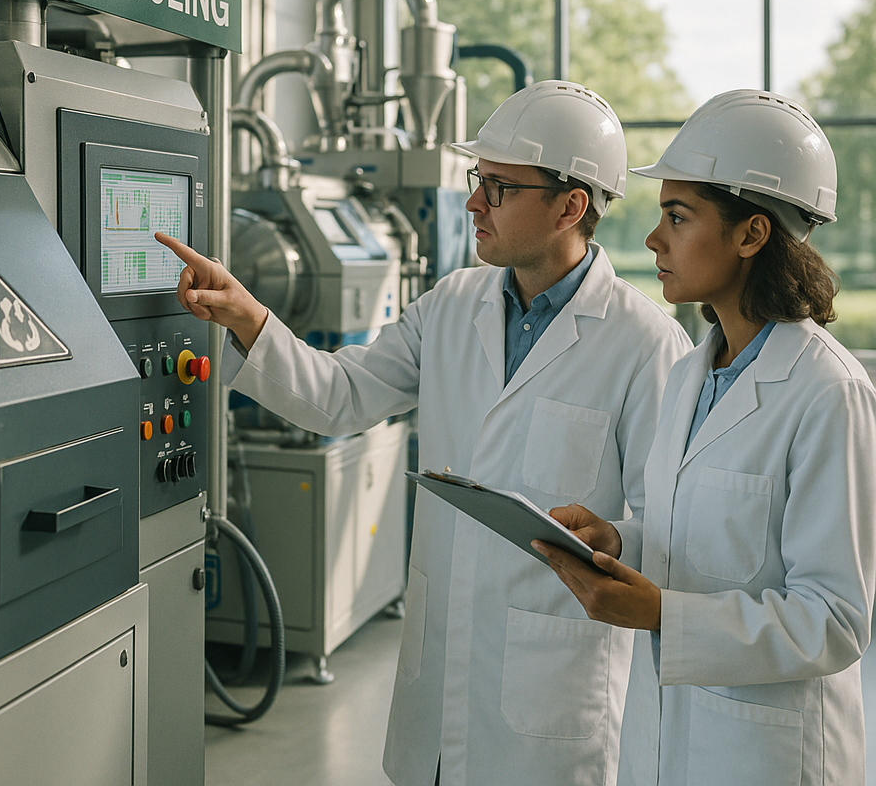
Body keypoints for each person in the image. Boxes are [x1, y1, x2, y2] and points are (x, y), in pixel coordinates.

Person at [157, 80, 691, 786]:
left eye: (499, 188)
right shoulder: (451, 306)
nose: (474, 203)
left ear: (570, 207)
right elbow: (340, 396)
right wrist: (247, 316)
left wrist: (616, 537)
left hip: (553, 699)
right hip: (439, 683)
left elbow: (670, 527)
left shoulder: (645, 344)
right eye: (479, 180)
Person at [534, 89, 876, 786]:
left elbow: (835, 621)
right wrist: (620, 540)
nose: (654, 239)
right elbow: (700, 540)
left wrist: (663, 615)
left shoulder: (826, 391)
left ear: (752, 235)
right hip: (669, 739)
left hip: (769, 755)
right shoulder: (693, 372)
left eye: (678, 217)